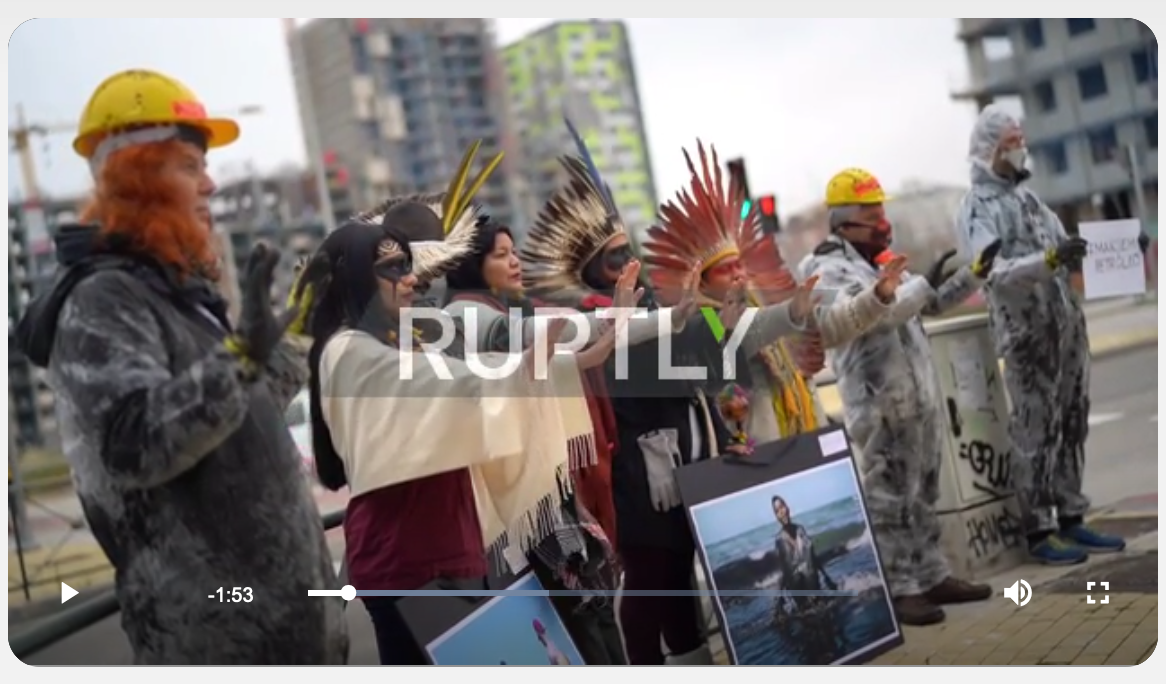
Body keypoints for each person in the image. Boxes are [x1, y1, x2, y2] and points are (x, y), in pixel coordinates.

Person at [13, 69, 347, 664]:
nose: (212, 184)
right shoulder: (103, 299)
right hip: (217, 644)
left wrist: (291, 342)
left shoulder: (172, 291)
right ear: (136, 177)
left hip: (287, 636)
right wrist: (238, 359)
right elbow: (136, 445)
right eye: (191, 166)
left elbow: (242, 410)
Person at [520, 120, 816, 665]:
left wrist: (776, 319)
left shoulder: (651, 312)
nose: (628, 264)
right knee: (652, 586)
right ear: (592, 272)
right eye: (614, 260)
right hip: (640, 476)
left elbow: (705, 365)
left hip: (684, 464)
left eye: (628, 252)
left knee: (680, 583)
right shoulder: (593, 320)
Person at [307, 193, 601, 663]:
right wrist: (528, 366)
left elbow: (471, 369)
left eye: (410, 265)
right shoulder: (350, 349)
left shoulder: (407, 334)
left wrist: (606, 337)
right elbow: (445, 377)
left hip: (449, 542)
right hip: (407, 558)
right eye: (393, 269)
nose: (411, 279)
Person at [799, 168, 1002, 626]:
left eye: (882, 210)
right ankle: (900, 586)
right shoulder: (825, 267)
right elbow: (846, 323)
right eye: (872, 213)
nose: (882, 220)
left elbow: (925, 303)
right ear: (845, 219)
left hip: (919, 403)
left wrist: (971, 276)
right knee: (889, 499)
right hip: (879, 407)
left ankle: (931, 575)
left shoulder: (881, 261)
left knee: (924, 490)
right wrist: (907, 288)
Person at [443, 217, 629, 664]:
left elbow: (712, 352)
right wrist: (614, 320)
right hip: (535, 491)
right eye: (500, 253)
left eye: (514, 251)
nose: (514, 261)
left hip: (563, 477)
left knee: (599, 605)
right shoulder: (466, 316)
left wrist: (684, 316)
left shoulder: (518, 310)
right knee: (586, 612)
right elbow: (537, 350)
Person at [641, 141, 908, 445]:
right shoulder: (705, 319)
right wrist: (789, 313)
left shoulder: (764, 296)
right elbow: (738, 341)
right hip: (762, 454)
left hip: (806, 434)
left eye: (739, 264)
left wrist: (878, 296)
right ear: (702, 282)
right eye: (725, 269)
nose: (738, 273)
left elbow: (829, 328)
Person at [955, 107, 1133, 564]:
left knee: (1073, 419)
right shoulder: (978, 208)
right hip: (1026, 335)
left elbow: (1063, 247)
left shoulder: (1030, 200)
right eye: (1012, 141)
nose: (1021, 147)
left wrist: (1123, 250)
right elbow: (993, 272)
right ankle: (1039, 528)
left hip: (1066, 327)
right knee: (1036, 428)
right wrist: (1049, 262)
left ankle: (1072, 515)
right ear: (992, 150)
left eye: (1021, 138)